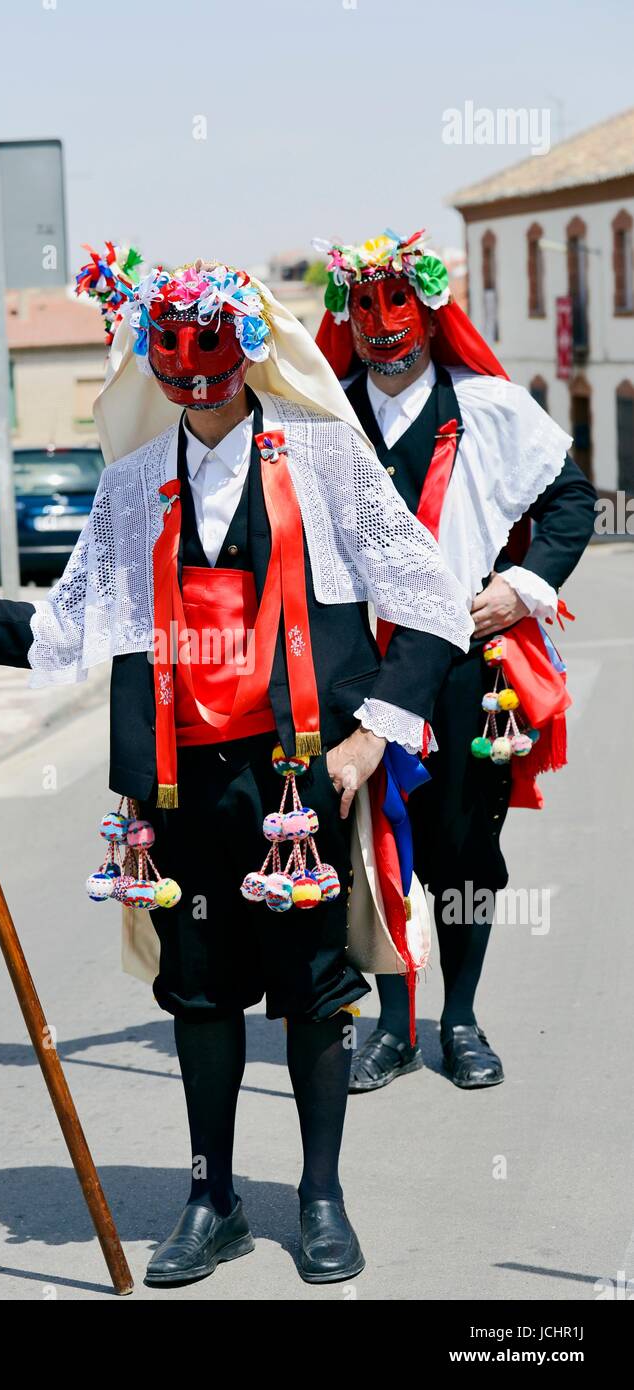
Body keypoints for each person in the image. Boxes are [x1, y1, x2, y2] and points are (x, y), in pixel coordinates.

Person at [0, 257, 473, 1285]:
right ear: (153, 363)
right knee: (200, 994)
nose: (197, 380)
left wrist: (370, 738)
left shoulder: (321, 459)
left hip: (299, 776)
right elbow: (62, 628)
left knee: (315, 991)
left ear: (248, 351)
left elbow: (431, 600)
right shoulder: (135, 484)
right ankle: (209, 1195)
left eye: (213, 355)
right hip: (175, 783)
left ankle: (319, 1196)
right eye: (173, 359)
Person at [314, 231, 596, 1092]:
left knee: (465, 851)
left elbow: (571, 499)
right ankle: (393, 1026)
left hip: (469, 666)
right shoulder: (320, 423)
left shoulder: (490, 409)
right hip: (358, 670)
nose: (382, 328)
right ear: (348, 322)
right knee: (370, 850)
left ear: (431, 314)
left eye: (397, 307)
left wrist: (521, 587)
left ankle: (460, 1016)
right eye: (364, 310)